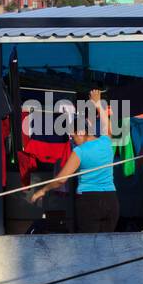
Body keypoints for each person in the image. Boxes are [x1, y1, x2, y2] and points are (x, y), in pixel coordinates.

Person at [27, 89, 120, 232]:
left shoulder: (80, 151)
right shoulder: (106, 142)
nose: (73, 141)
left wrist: (42, 191)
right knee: (107, 246)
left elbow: (61, 180)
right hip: (111, 200)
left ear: (81, 132)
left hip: (89, 202)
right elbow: (108, 128)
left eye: (73, 137)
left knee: (89, 245)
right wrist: (97, 104)